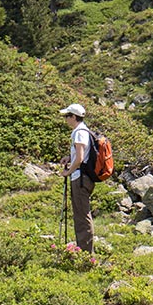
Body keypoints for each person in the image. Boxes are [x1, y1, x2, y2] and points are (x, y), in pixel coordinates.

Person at [58, 103, 94, 252]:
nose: (66, 119)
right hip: (84, 177)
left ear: (74, 117)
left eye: (67, 116)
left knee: (82, 215)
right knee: (80, 214)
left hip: (80, 178)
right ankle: (84, 250)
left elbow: (79, 158)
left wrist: (68, 172)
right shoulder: (84, 131)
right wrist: (69, 157)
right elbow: (80, 155)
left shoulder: (79, 132)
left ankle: (86, 254)